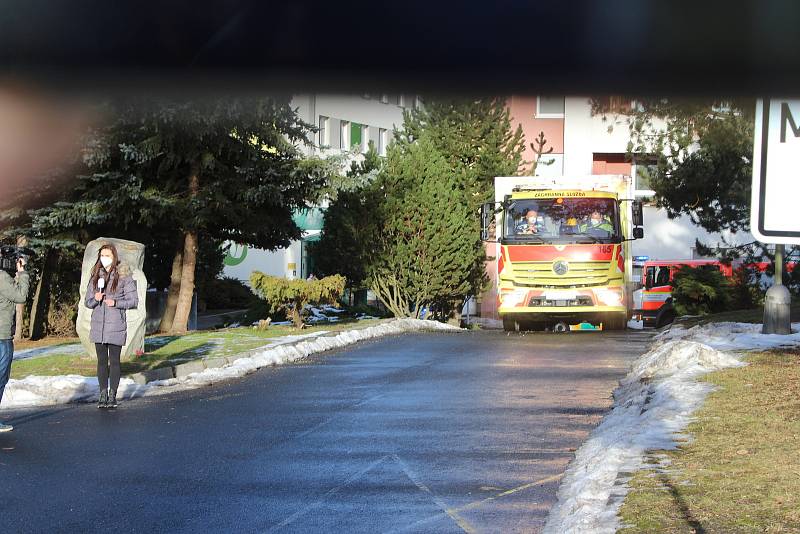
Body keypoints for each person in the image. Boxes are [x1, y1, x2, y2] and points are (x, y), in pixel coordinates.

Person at [85, 244, 138, 409]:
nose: (104, 258)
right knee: (101, 361)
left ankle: (112, 394)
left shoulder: (124, 276)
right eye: (101, 255)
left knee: (114, 361)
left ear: (114, 256)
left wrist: (115, 302)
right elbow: (88, 302)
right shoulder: (95, 276)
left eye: (107, 255)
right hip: (98, 326)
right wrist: (96, 298)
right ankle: (102, 393)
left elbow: (133, 301)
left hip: (116, 325)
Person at [0, 256, 30, 432]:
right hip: (1, 337)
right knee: (1, 377)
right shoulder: (2, 277)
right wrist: (22, 273)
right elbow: (20, 296)